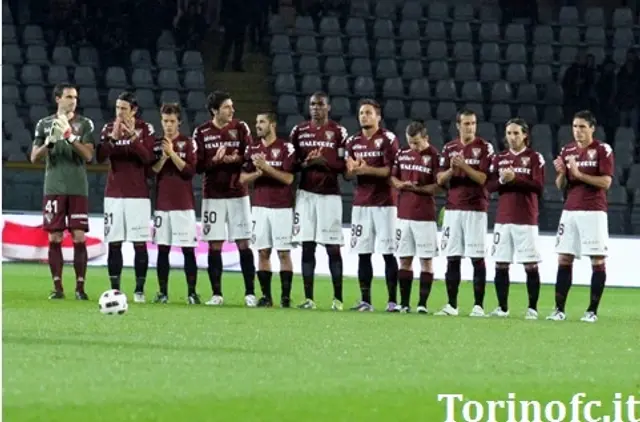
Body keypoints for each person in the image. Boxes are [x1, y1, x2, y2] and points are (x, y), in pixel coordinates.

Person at [30, 83, 95, 300]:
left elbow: (88, 156)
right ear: (58, 98)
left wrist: (70, 137)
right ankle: (57, 287)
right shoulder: (44, 124)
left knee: (78, 236)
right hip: (54, 188)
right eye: (68, 96)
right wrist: (50, 142)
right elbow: (33, 157)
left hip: (77, 187)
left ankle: (80, 288)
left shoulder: (85, 124)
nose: (73, 100)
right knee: (55, 236)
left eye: (75, 97)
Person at [549, 110, 614, 323]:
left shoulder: (602, 150)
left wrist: (579, 175)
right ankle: (559, 309)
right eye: (575, 127)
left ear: (592, 128)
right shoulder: (567, 150)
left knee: (596, 260)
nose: (578, 131)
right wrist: (561, 174)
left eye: (582, 127)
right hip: (570, 210)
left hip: (593, 211)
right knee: (564, 257)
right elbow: (561, 186)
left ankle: (592, 311)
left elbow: (606, 182)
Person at [193, 91, 256, 307]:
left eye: (231, 106)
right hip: (213, 196)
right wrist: (215, 161)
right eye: (227, 107)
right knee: (215, 245)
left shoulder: (240, 128)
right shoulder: (201, 132)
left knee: (244, 243)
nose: (232, 110)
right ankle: (217, 294)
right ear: (215, 110)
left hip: (238, 193)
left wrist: (235, 158)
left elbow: (250, 156)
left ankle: (250, 293)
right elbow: (198, 166)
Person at [289, 92, 347, 311]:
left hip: (330, 195)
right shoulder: (299, 131)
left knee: (332, 248)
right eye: (312, 104)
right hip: (305, 194)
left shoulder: (338, 132)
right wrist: (306, 163)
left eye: (320, 105)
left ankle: (338, 299)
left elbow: (343, 166)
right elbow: (292, 164)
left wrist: (324, 163)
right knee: (307, 246)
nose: (315, 108)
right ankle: (309, 298)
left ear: (328, 107)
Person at [96, 91, 155, 302]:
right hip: (113, 195)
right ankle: (115, 289)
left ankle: (139, 290)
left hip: (138, 195)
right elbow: (100, 157)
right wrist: (112, 138)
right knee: (114, 242)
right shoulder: (108, 128)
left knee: (139, 243)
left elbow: (148, 158)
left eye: (124, 108)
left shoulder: (145, 129)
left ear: (134, 110)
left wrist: (132, 138)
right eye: (117, 108)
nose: (119, 112)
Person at [435, 109, 494, 317]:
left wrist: (464, 166)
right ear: (458, 126)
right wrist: (452, 169)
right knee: (452, 257)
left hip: (475, 209)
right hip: (453, 210)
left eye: (473, 123)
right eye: (466, 123)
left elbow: (483, 178)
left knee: (477, 257)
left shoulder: (484, 147)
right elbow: (440, 180)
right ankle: (452, 305)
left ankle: (478, 306)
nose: (470, 127)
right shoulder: (449, 147)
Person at [486, 118, 544, 319]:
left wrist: (515, 178)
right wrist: (502, 179)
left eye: (516, 133)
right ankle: (502, 308)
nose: (512, 137)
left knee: (530, 264)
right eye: (509, 133)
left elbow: (538, 187)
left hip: (526, 218)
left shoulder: (534, 158)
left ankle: (532, 309)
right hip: (503, 218)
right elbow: (489, 186)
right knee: (501, 263)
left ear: (525, 135)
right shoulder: (499, 158)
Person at [345, 99, 399, 312]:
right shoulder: (353, 141)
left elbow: (389, 171)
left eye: (368, 113)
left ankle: (392, 301)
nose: (364, 116)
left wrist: (364, 170)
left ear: (378, 117)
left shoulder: (388, 139)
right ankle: (365, 300)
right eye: (361, 113)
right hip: (361, 204)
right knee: (363, 252)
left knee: (388, 252)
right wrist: (352, 170)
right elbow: (348, 174)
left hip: (385, 204)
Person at [240, 112, 296, 307]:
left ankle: (286, 297)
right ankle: (266, 296)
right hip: (259, 208)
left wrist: (267, 168)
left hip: (282, 207)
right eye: (256, 122)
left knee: (283, 253)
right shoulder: (252, 148)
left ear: (272, 124)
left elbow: (289, 179)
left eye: (262, 122)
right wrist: (257, 172)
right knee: (263, 252)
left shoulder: (285, 148)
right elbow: (242, 179)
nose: (258, 125)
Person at [150, 103, 200, 305]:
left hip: (184, 205)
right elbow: (152, 172)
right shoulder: (155, 144)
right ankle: (162, 292)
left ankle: (192, 293)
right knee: (163, 249)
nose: (168, 125)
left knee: (188, 249)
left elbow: (189, 171)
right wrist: (162, 157)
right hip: (162, 205)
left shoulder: (188, 143)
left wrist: (172, 153)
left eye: (172, 121)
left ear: (179, 122)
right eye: (165, 121)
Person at [390, 121, 440, 313]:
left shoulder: (435, 156)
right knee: (405, 259)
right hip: (403, 215)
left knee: (426, 261)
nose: (413, 146)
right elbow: (393, 178)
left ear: (426, 138)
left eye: (417, 143)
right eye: (410, 142)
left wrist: (418, 189)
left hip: (425, 216)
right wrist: (400, 185)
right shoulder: (402, 153)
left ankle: (422, 304)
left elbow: (439, 186)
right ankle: (404, 303)